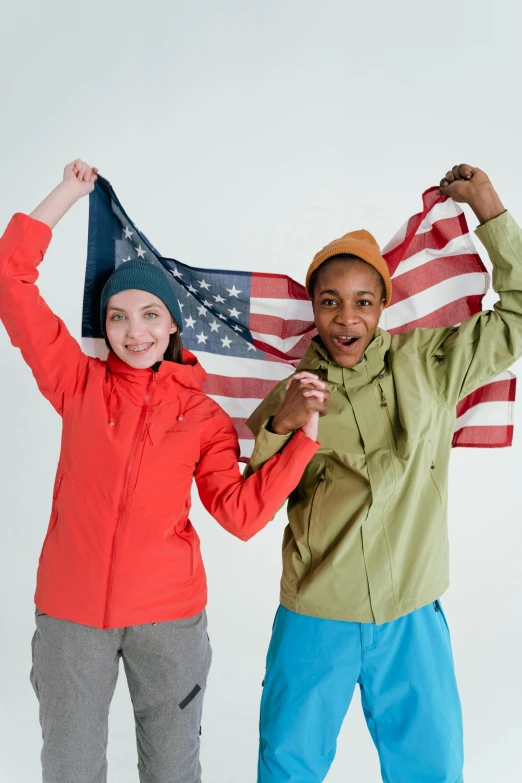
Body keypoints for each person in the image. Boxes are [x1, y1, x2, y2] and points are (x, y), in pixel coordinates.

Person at [0, 160, 328, 783]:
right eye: (118, 317)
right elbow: (9, 277)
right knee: (69, 770)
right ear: (105, 327)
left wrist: (302, 443)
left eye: (150, 314)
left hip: (169, 620)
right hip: (71, 618)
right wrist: (68, 194)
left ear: (174, 323)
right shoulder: (78, 384)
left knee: (173, 771)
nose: (134, 331)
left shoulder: (203, 416)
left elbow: (238, 513)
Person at [246, 164, 522, 783]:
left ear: (383, 305)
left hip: (412, 612)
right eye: (330, 302)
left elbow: (519, 313)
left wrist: (489, 209)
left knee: (432, 769)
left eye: (363, 302)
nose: (347, 319)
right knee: (286, 767)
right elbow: (252, 501)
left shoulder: (430, 362)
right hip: (316, 613)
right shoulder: (294, 393)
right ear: (313, 309)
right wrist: (283, 424)